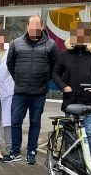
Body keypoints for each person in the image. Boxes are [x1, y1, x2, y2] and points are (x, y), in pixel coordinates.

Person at [52, 21, 91, 158]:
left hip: (89, 102)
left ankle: (88, 162)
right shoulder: (64, 55)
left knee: (89, 132)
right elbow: (55, 73)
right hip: (70, 102)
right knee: (70, 132)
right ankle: (70, 161)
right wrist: (63, 86)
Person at [3, 15, 58, 165]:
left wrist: (44, 80)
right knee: (15, 122)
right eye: (31, 26)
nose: (33, 29)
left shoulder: (51, 45)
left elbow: (55, 67)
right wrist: (18, 79)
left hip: (39, 93)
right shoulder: (16, 43)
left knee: (35, 122)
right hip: (20, 92)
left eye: (37, 26)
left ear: (42, 27)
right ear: (27, 27)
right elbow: (10, 64)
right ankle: (15, 152)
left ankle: (31, 152)